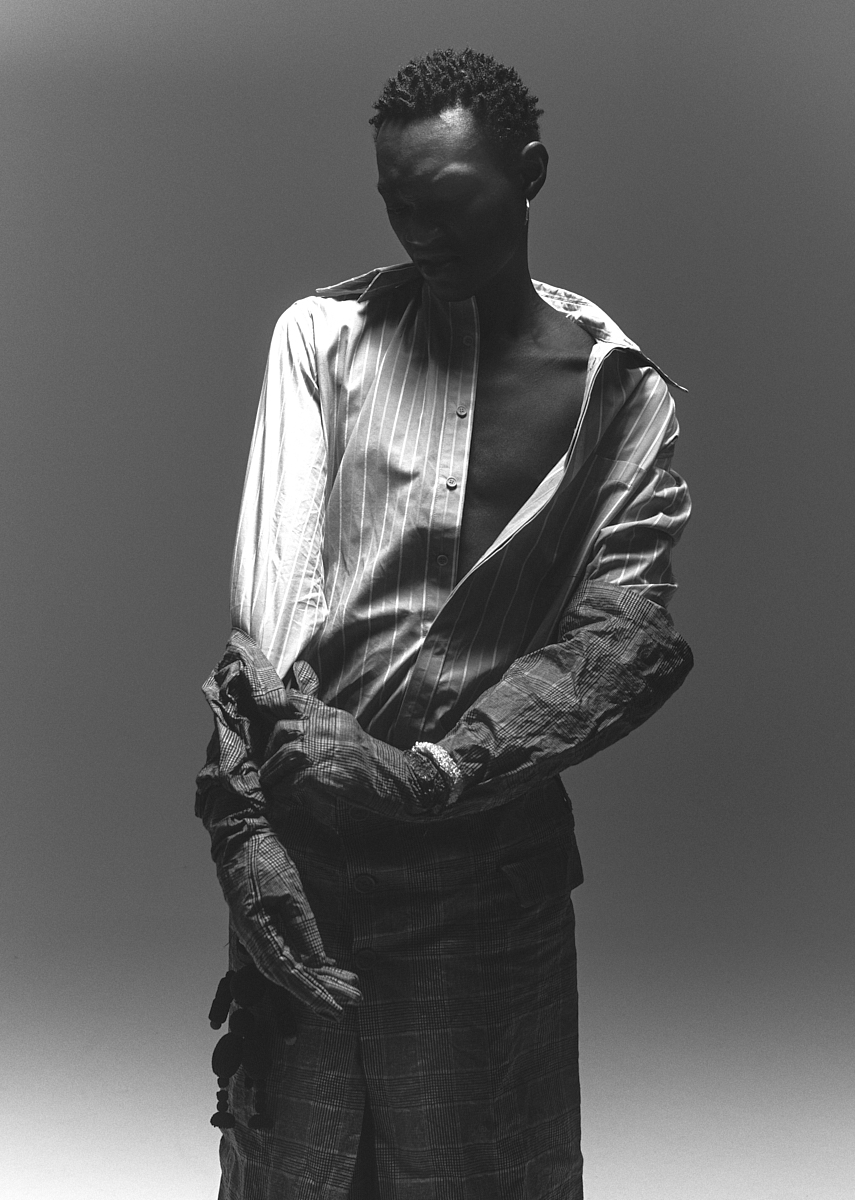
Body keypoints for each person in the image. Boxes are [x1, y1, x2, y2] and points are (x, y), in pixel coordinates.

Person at [197, 47, 693, 1200]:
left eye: (449, 198)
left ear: (530, 173)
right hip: (306, 858)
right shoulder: (321, 341)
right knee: (286, 1174)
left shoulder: (622, 396)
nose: (420, 230)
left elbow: (619, 641)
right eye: (396, 202)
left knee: (486, 1175)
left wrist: (427, 774)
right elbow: (263, 627)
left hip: (487, 880)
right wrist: (243, 823)